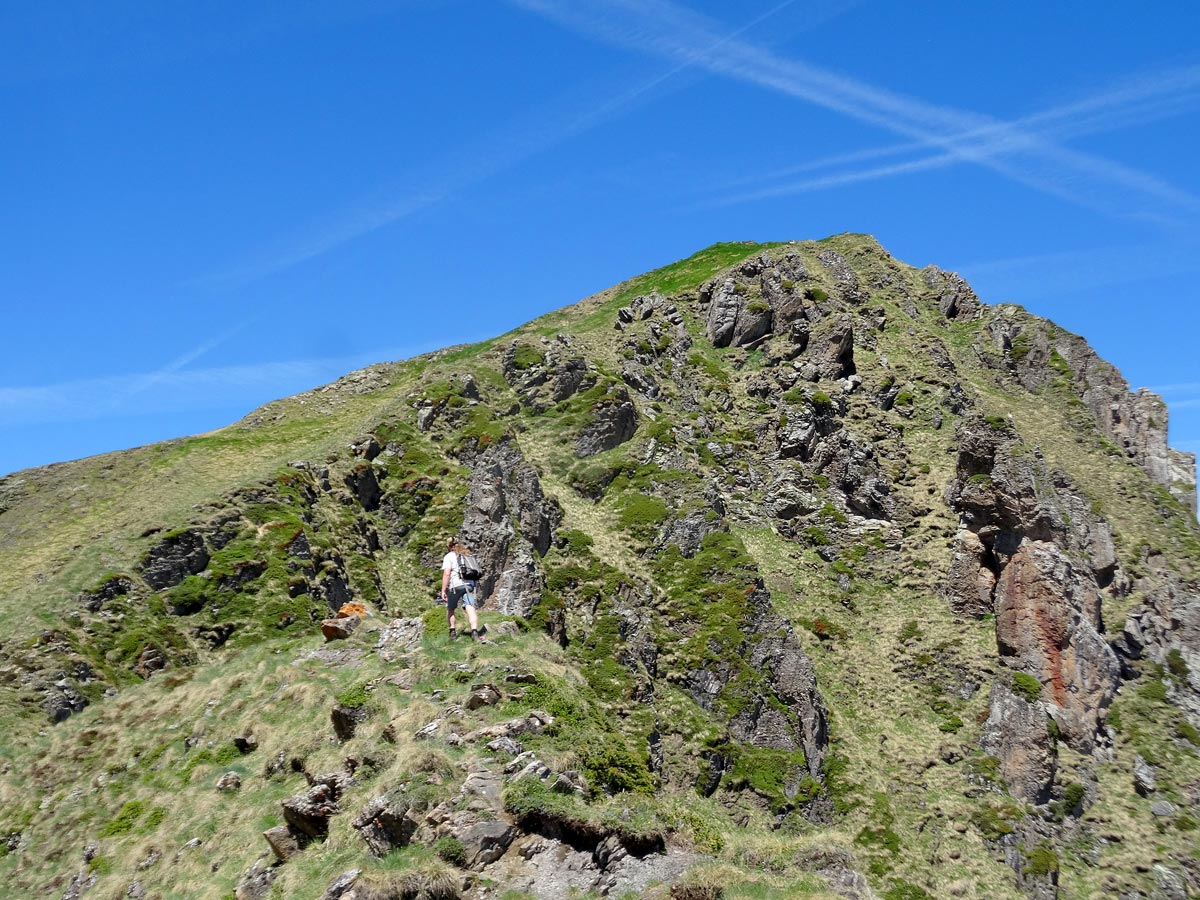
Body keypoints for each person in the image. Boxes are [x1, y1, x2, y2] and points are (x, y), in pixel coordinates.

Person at [441, 536, 481, 640]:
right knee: (470, 607)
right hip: (469, 584)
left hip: (456, 585)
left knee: (450, 608)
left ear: (449, 546)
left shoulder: (449, 556)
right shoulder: (467, 554)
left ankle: (452, 632)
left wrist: (443, 590)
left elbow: (447, 573)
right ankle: (474, 632)